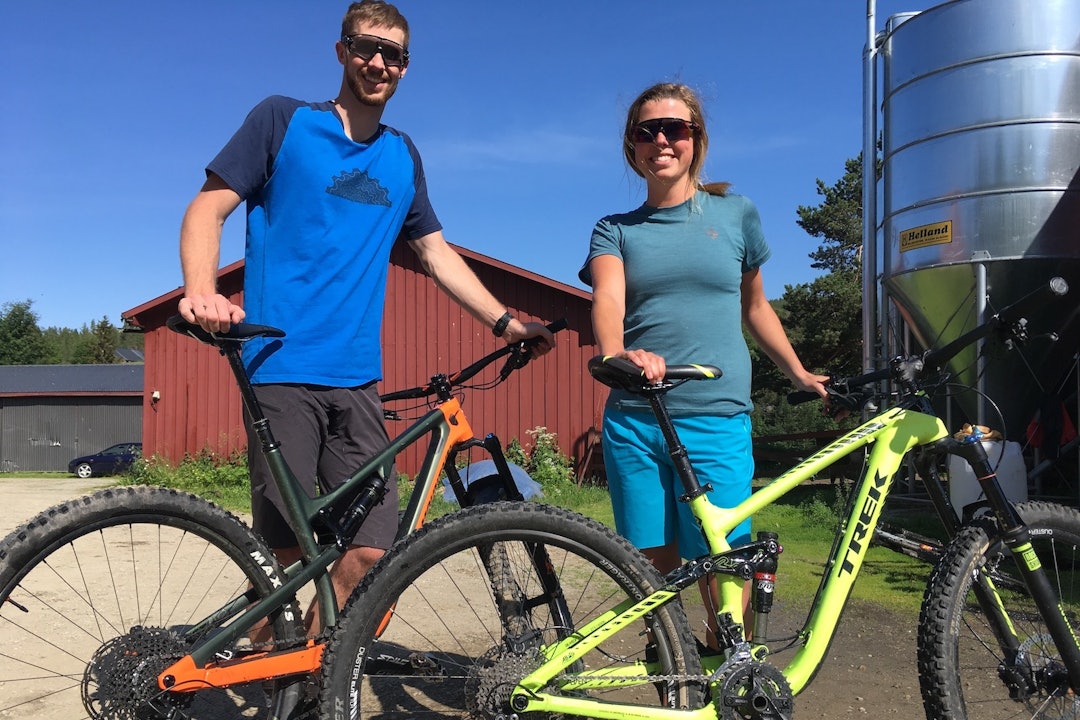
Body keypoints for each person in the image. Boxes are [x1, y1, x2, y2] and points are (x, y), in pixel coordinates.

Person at [177, 0, 554, 634]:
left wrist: (505, 321)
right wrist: (201, 290)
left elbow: (435, 253)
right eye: (365, 47)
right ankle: (257, 669)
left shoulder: (402, 157)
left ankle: (316, 677)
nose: (378, 62)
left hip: (357, 382)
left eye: (394, 54)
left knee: (374, 556)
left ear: (406, 68)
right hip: (281, 369)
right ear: (342, 51)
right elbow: (206, 209)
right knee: (283, 562)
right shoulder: (283, 120)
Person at [579, 82, 828, 646]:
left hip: (714, 412)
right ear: (631, 146)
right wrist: (616, 354)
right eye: (647, 131)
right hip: (637, 419)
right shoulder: (614, 228)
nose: (661, 140)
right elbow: (608, 298)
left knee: (721, 557)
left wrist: (797, 372)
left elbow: (756, 307)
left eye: (675, 129)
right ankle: (672, 667)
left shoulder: (736, 214)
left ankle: (726, 666)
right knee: (651, 561)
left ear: (697, 139)